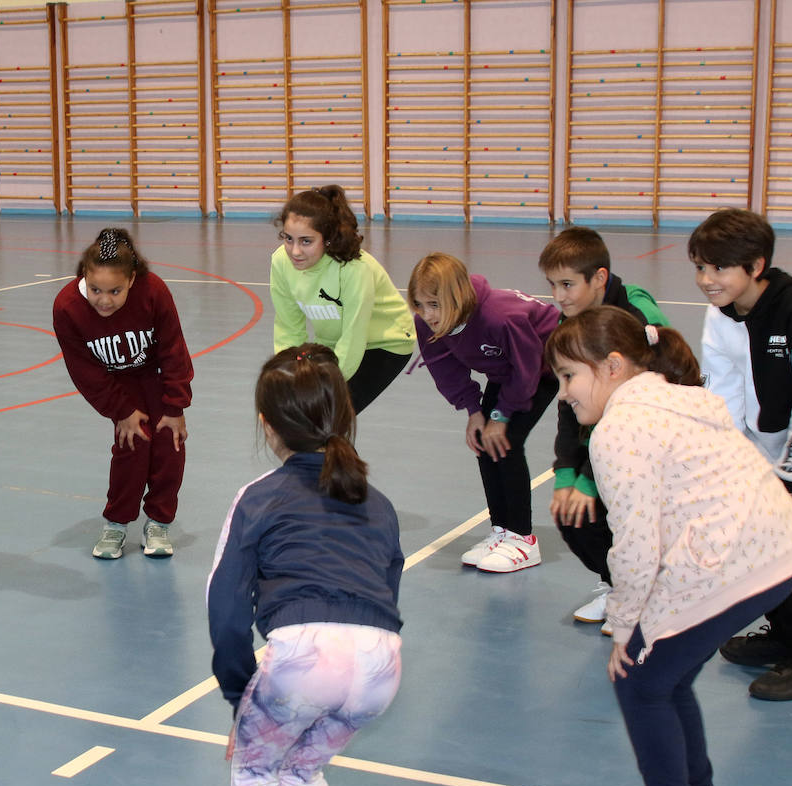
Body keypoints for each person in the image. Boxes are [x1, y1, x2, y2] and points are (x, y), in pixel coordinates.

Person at [545, 308, 792, 786]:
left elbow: (638, 547)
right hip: (778, 545)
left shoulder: (617, 429)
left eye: (569, 376)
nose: (563, 393)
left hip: (735, 561)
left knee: (640, 682)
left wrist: (625, 627)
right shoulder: (678, 395)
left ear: (612, 366)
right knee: (670, 677)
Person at [208, 343, 401, 786]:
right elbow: (387, 591)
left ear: (267, 426)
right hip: (380, 665)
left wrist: (241, 698)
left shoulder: (257, 497)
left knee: (254, 771)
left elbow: (227, 611)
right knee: (303, 772)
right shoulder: (376, 500)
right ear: (345, 417)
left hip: (303, 658)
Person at [689, 208, 792, 701]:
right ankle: (784, 635)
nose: (705, 280)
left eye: (718, 269)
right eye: (699, 267)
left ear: (756, 266)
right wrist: (730, 466)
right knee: (758, 548)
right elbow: (723, 394)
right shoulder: (720, 315)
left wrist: (789, 477)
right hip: (766, 452)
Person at [538, 227, 670, 633]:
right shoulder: (572, 319)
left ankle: (648, 596)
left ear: (598, 278)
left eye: (567, 284)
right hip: (605, 436)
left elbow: (652, 410)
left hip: (650, 437)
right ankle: (619, 586)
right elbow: (568, 403)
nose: (558, 296)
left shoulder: (635, 318)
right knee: (573, 515)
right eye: (552, 285)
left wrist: (592, 480)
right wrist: (566, 472)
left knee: (625, 513)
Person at [408, 253, 560, 572]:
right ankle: (502, 530)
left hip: (547, 366)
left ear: (456, 298)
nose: (427, 314)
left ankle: (523, 538)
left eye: (434, 304)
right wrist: (474, 412)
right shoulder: (427, 322)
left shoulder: (499, 317)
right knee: (484, 442)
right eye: (420, 305)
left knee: (507, 442)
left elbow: (528, 369)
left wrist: (501, 417)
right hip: (506, 374)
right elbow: (445, 369)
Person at [53, 227, 194, 559]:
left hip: (156, 377)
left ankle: (159, 522)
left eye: (115, 290)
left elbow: (174, 348)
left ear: (132, 279)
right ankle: (116, 522)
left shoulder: (154, 291)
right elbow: (84, 372)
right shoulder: (67, 308)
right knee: (131, 446)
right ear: (83, 277)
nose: (104, 300)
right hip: (116, 384)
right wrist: (121, 410)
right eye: (95, 289)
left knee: (169, 446)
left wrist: (175, 405)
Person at [270, 186, 415, 411]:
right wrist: (290, 377)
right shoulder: (281, 262)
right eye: (288, 239)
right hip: (334, 342)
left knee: (329, 416)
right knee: (307, 414)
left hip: (385, 342)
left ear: (327, 238)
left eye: (306, 241)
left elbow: (353, 338)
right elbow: (288, 329)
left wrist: (319, 389)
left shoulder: (354, 269)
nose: (295, 251)